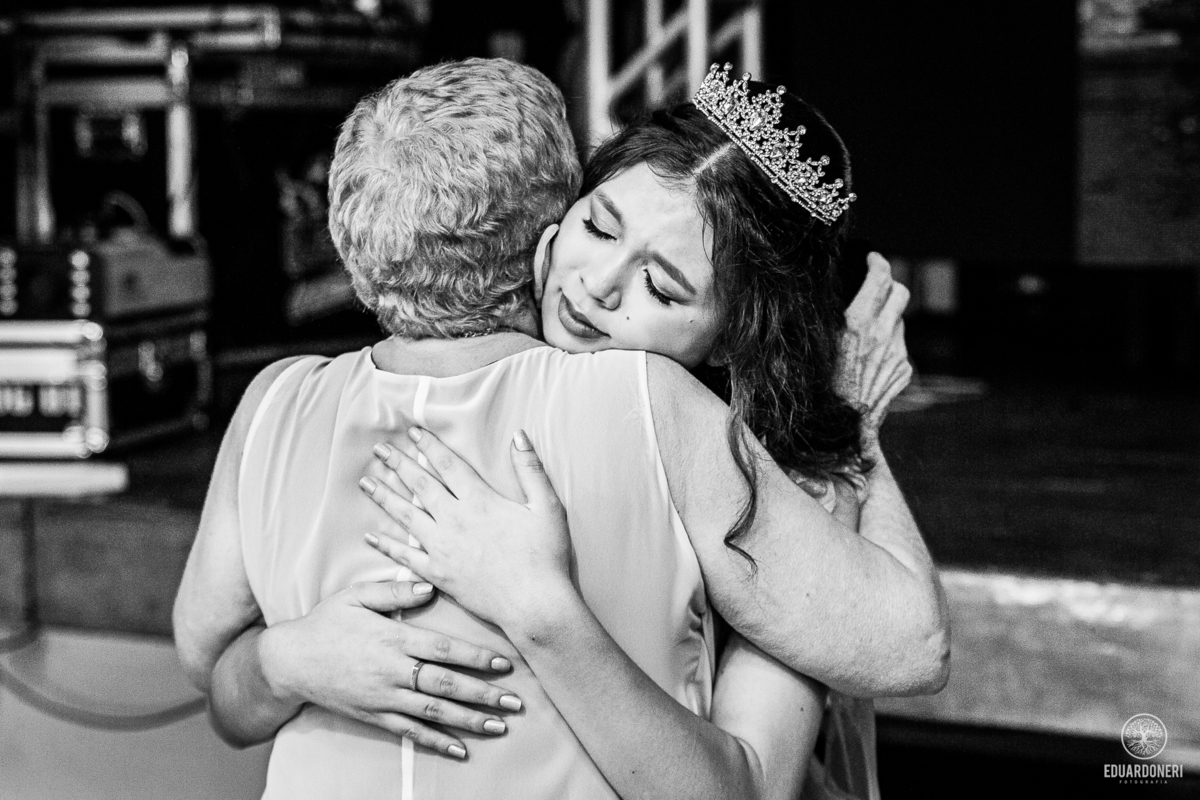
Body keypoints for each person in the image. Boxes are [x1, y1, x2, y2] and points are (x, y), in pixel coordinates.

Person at [174, 59, 944, 800]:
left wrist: (841, 417)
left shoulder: (281, 401)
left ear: (737, 334)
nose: (597, 287)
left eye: (660, 285)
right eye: (601, 229)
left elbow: (205, 659)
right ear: (558, 211)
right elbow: (907, 647)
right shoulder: (651, 405)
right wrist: (852, 419)